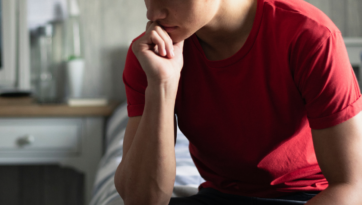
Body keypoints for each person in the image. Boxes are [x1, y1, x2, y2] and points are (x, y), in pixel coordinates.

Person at [114, 0, 362, 204]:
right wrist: (162, 85)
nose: (153, 13)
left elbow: (351, 184)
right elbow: (141, 200)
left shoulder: (310, 36)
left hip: (307, 197)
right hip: (219, 196)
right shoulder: (149, 55)